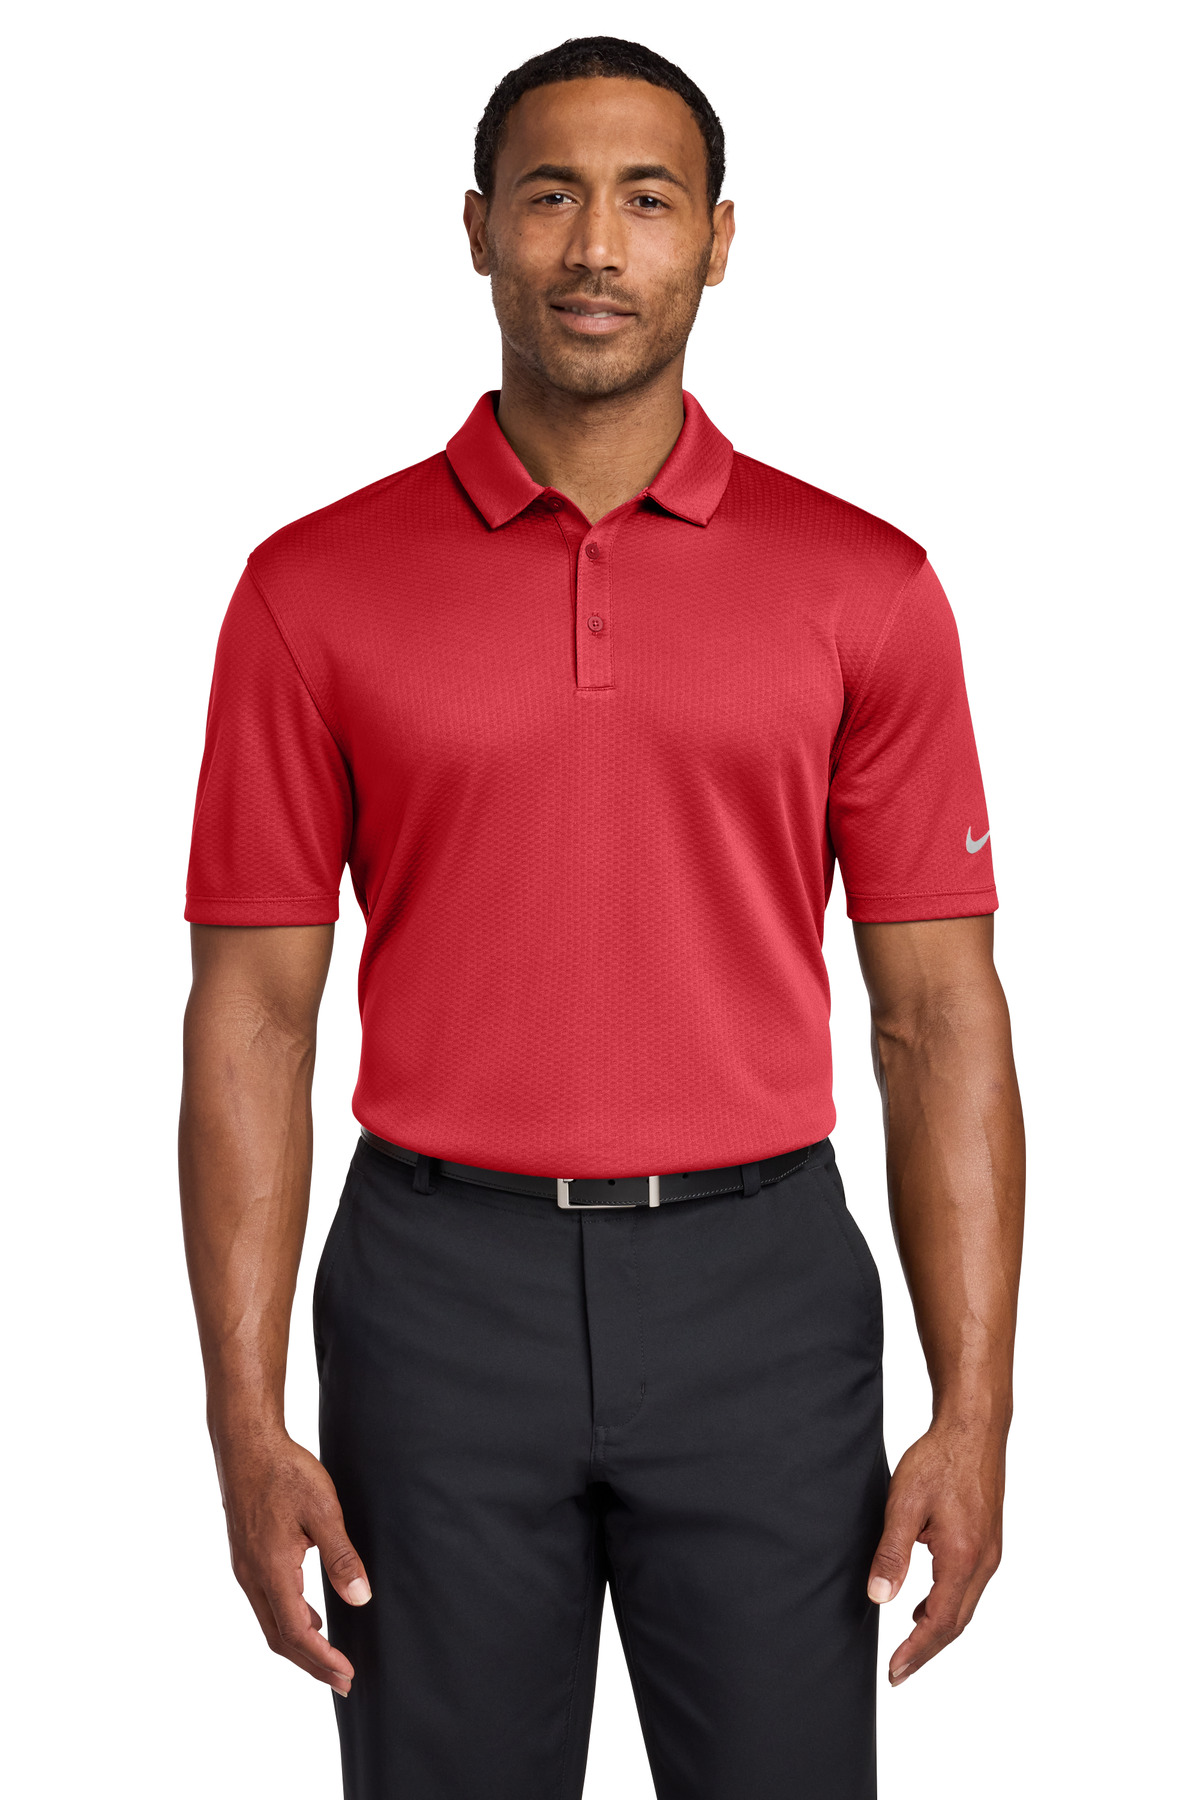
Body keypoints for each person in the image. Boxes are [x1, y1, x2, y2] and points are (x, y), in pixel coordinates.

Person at [179, 35, 1024, 1800]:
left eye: (647, 200)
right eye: (550, 195)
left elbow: (939, 1015)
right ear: (476, 230)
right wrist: (243, 1422)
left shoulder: (865, 587)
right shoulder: (308, 591)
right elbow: (252, 1016)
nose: (594, 247)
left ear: (718, 239)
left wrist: (976, 1409)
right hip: (433, 1300)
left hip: (764, 1294)